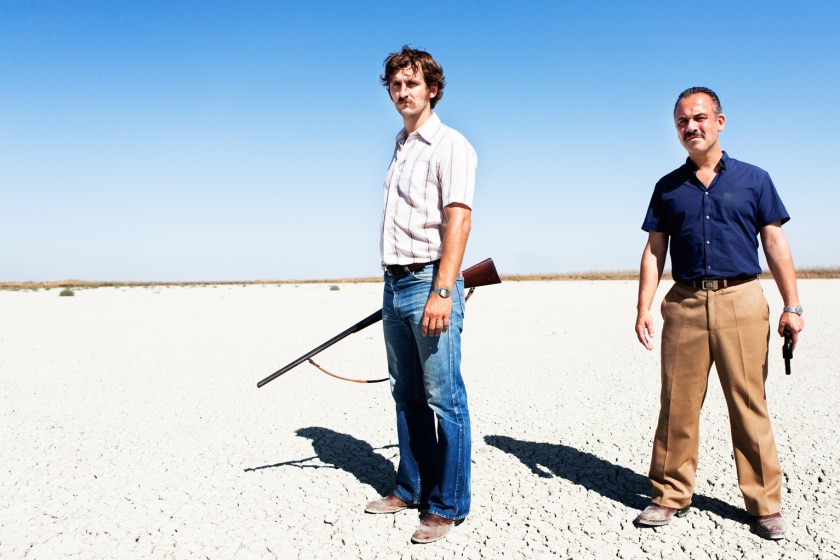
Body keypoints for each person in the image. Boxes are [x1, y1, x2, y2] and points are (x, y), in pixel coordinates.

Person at [633, 87, 804, 540]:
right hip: (685, 303)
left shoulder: (755, 179)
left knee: (748, 403)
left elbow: (775, 242)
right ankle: (669, 494)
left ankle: (765, 505)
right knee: (677, 404)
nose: (691, 126)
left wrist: (792, 305)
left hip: (741, 300)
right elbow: (654, 250)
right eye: (682, 121)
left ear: (720, 122)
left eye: (700, 117)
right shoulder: (667, 187)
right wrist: (643, 306)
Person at [364, 46, 477, 544]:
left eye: (412, 83)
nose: (402, 91)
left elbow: (459, 219)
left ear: (432, 89)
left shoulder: (450, 144)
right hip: (394, 283)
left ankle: (447, 505)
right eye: (395, 84)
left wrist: (443, 290)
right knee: (405, 393)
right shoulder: (401, 145)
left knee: (444, 398)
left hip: (430, 281)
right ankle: (409, 487)